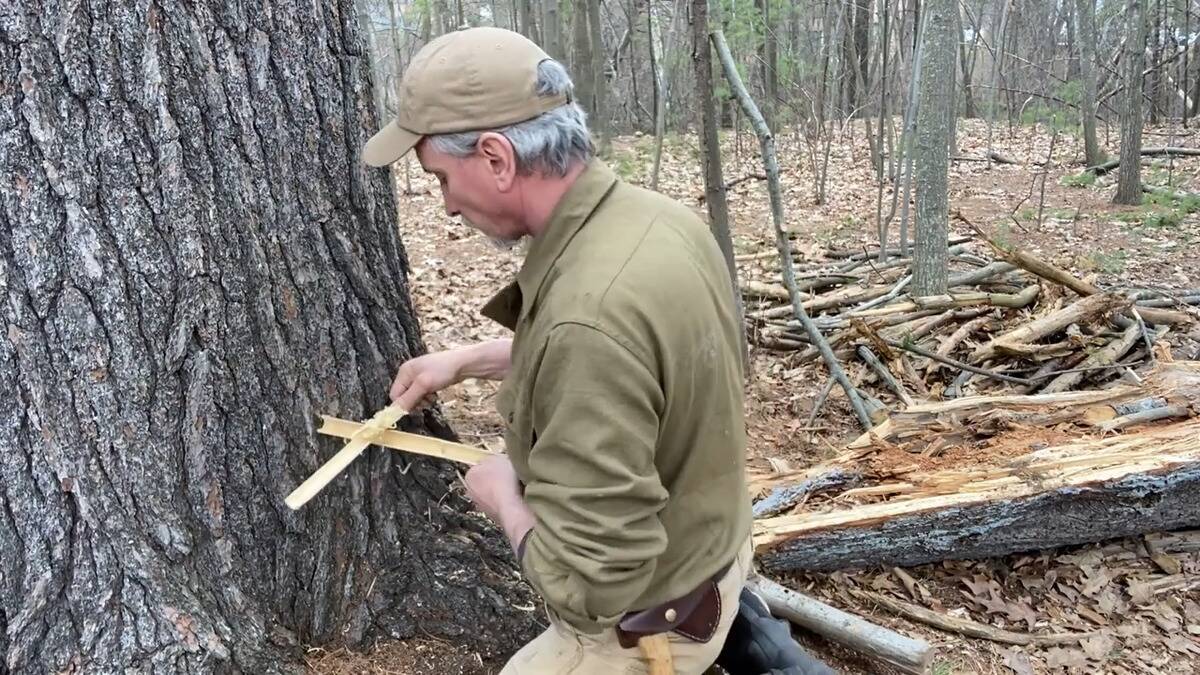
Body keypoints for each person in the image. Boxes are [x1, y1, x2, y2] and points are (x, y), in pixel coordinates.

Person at [362, 26, 754, 674]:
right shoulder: (655, 221)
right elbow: (635, 360)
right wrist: (465, 359)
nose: (448, 207)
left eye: (440, 178)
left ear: (495, 158)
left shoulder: (589, 317)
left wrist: (502, 499)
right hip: (717, 551)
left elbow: (592, 587)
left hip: (647, 625)